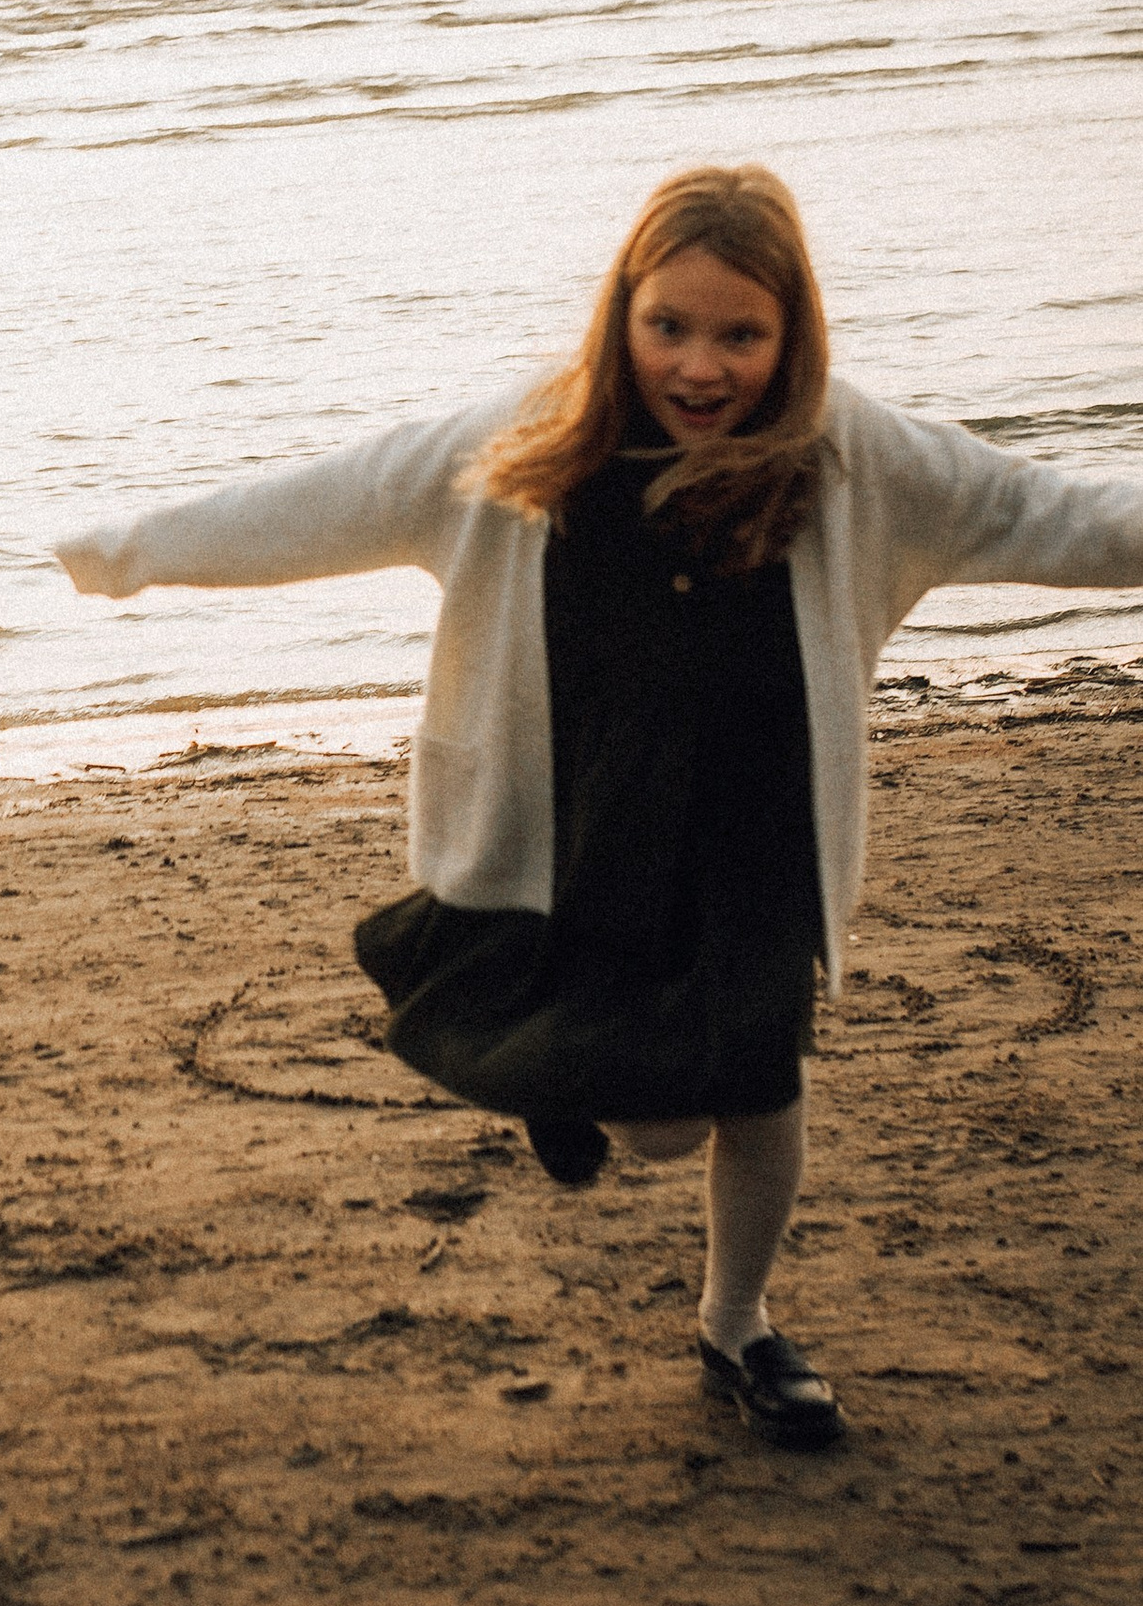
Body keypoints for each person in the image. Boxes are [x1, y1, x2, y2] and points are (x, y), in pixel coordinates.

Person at [56, 164, 1143, 1449]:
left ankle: (736, 1325)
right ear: (620, 314)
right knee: (661, 1131)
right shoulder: (526, 445)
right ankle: (563, 1081)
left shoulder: (844, 456)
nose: (700, 364)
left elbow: (1037, 507)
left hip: (755, 835)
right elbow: (324, 500)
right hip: (580, 835)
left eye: (739, 333)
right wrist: (136, 551)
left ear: (789, 333)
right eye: (669, 325)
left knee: (760, 1080)